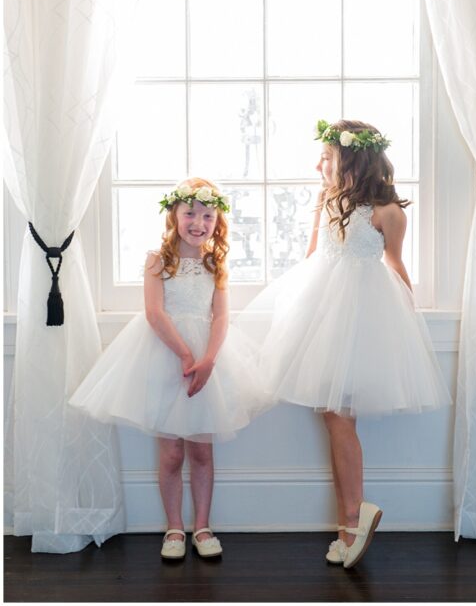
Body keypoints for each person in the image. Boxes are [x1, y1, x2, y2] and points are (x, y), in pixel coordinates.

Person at [244, 119, 449, 568]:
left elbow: (395, 265)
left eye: (326, 156)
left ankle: (354, 518)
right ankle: (347, 525)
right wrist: (296, 310)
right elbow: (312, 256)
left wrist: (407, 323)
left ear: (351, 159)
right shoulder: (327, 199)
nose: (318, 163)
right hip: (321, 310)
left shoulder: (388, 211)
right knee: (332, 418)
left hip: (362, 317)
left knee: (339, 419)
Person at [70, 179, 267, 559]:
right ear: (173, 215)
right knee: (172, 454)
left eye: (207, 215)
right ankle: (174, 527)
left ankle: (203, 527)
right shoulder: (158, 259)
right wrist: (183, 355)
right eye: (190, 213)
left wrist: (208, 359)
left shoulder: (215, 260)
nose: (198, 222)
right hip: (165, 354)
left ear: (217, 220)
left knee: (202, 453)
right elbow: (154, 312)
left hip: (208, 358)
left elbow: (222, 314)